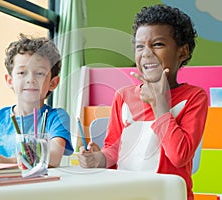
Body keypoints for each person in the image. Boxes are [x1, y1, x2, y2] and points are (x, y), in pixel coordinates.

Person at [78, 4, 208, 200]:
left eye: (157, 44)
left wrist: (159, 104)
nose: (146, 53)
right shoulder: (123, 96)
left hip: (168, 195)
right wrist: (100, 159)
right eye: (139, 46)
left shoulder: (194, 98)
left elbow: (180, 156)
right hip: (125, 194)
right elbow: (115, 148)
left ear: (183, 52)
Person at [0, 33, 74, 168]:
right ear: (10, 81)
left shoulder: (56, 118)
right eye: (21, 73)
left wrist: (10, 162)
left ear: (53, 83)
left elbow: (54, 157)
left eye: (39, 73)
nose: (30, 79)